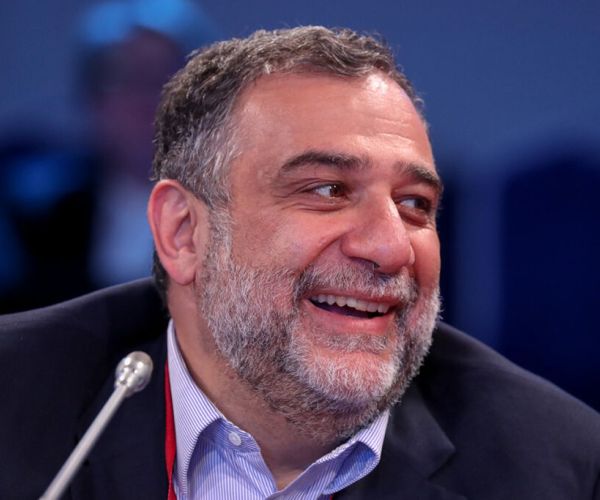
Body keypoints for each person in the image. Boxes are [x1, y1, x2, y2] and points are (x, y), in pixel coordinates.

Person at [1, 26, 599, 500]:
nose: (391, 248)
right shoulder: (16, 396)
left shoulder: (555, 468)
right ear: (184, 233)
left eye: (415, 204)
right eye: (327, 190)